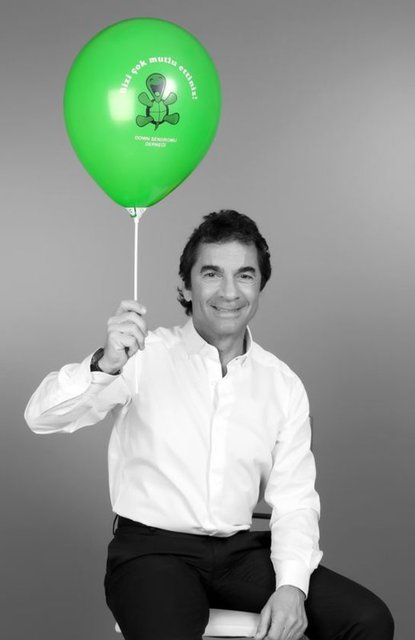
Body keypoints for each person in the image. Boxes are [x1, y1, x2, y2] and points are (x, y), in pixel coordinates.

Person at [25, 210, 394, 640]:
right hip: (152, 553)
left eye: (245, 275)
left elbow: (295, 501)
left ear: (260, 286)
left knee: (368, 620)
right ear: (186, 286)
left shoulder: (282, 384)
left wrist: (292, 586)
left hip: (239, 554)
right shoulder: (140, 356)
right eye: (212, 273)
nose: (229, 292)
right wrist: (105, 364)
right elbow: (41, 418)